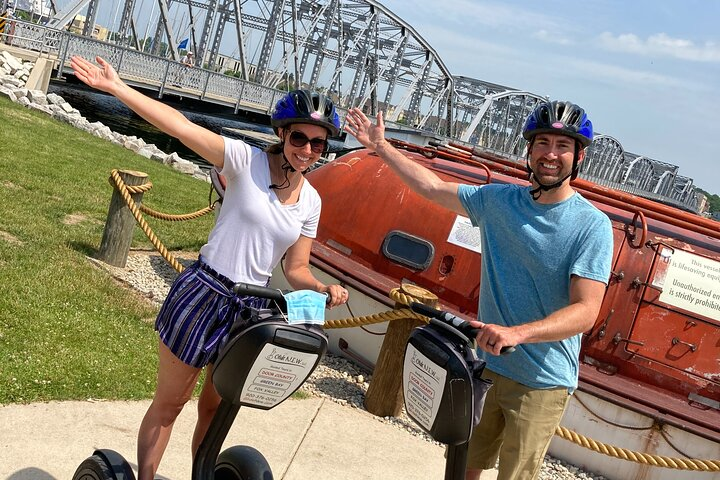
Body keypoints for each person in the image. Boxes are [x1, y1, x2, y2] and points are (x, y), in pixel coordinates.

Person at [70, 55, 350, 480]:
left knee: (215, 408)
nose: (308, 150)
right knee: (170, 403)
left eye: (318, 143)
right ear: (281, 133)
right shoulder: (244, 161)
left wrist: (322, 287)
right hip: (205, 292)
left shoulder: (312, 200)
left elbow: (296, 269)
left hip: (249, 310)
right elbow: (181, 127)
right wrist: (118, 88)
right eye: (299, 138)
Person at [344, 101, 613, 480]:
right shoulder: (498, 202)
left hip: (542, 380)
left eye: (562, 146)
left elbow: (586, 310)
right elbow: (432, 186)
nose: (551, 154)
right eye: (543, 143)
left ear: (578, 156)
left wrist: (517, 333)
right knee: (463, 465)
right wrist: (382, 147)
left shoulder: (591, 226)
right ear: (529, 150)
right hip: (487, 365)